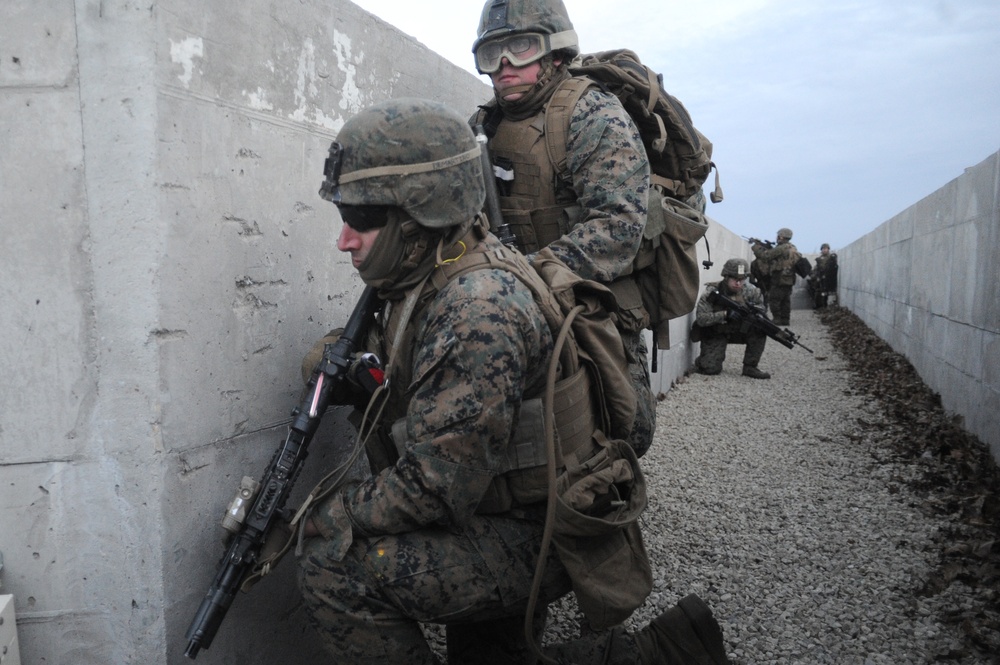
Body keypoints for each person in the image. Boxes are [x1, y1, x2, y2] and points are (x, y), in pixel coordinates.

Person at [295, 98, 730, 665]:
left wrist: (325, 513)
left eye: (364, 219)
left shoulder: (477, 307)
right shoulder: (438, 263)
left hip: (539, 531)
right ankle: (669, 652)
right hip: (507, 508)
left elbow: (433, 490)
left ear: (421, 214)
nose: (345, 240)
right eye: (343, 217)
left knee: (334, 561)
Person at [469, 0, 657, 458]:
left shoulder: (591, 112)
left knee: (622, 428)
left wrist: (529, 274)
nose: (505, 65)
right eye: (492, 54)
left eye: (520, 47)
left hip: (587, 296)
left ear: (555, 53)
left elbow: (619, 224)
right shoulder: (482, 127)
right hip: (507, 297)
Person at [692, 258, 771, 380]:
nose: (738, 283)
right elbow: (701, 319)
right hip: (717, 331)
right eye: (735, 279)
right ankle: (703, 361)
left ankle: (750, 367)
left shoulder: (753, 292)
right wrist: (724, 314)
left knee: (760, 328)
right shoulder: (712, 292)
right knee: (710, 369)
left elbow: (762, 313)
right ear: (726, 277)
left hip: (740, 330)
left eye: (742, 280)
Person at [751, 228, 800, 325]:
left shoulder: (781, 248)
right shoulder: (792, 247)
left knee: (774, 299)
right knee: (785, 300)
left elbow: (766, 256)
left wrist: (756, 247)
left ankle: (777, 319)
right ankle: (785, 319)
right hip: (789, 278)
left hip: (779, 278)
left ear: (781, 237)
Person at [809, 243, 838, 308]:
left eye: (826, 249)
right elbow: (817, 268)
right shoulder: (819, 259)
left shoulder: (831, 257)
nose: (824, 250)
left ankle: (825, 306)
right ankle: (819, 306)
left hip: (828, 278)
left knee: (827, 293)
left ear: (828, 249)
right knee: (818, 292)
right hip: (820, 277)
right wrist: (813, 274)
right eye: (823, 249)